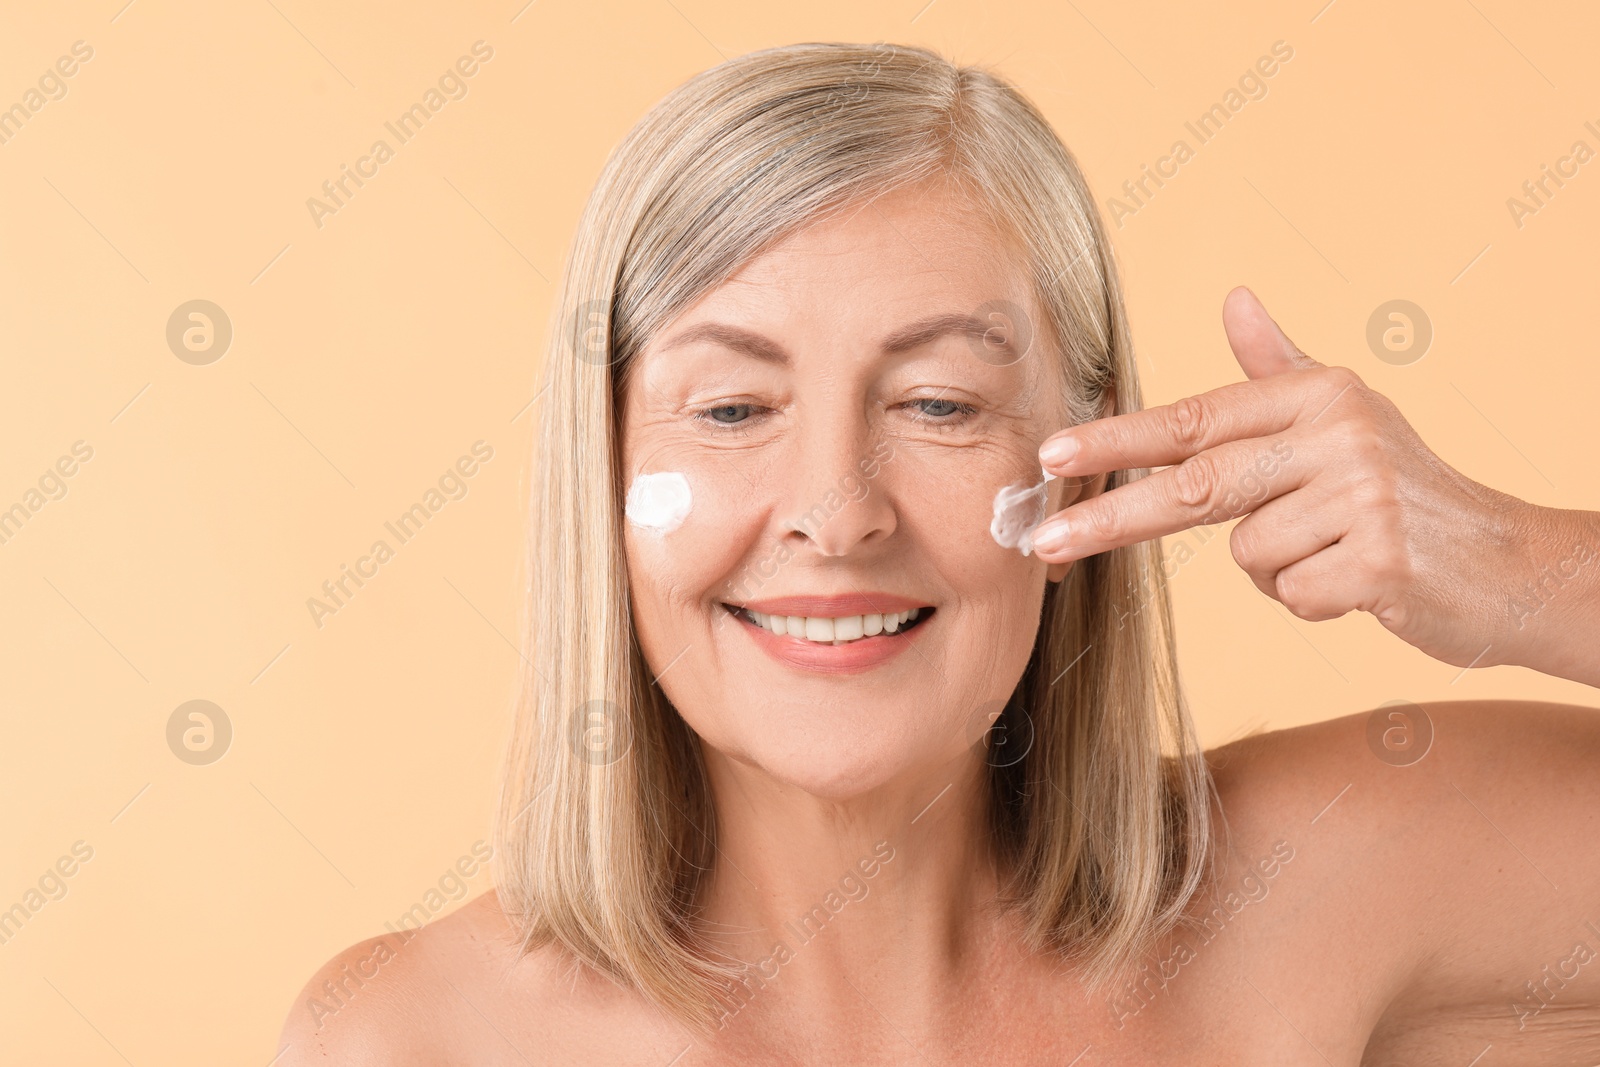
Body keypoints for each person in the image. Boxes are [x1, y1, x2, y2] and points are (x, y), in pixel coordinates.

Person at [277, 42, 1600, 1064]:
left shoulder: (1324, 890)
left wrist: (1520, 567)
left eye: (938, 406)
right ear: (599, 485)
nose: (836, 511)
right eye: (734, 408)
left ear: (1094, 465)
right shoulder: (411, 1040)